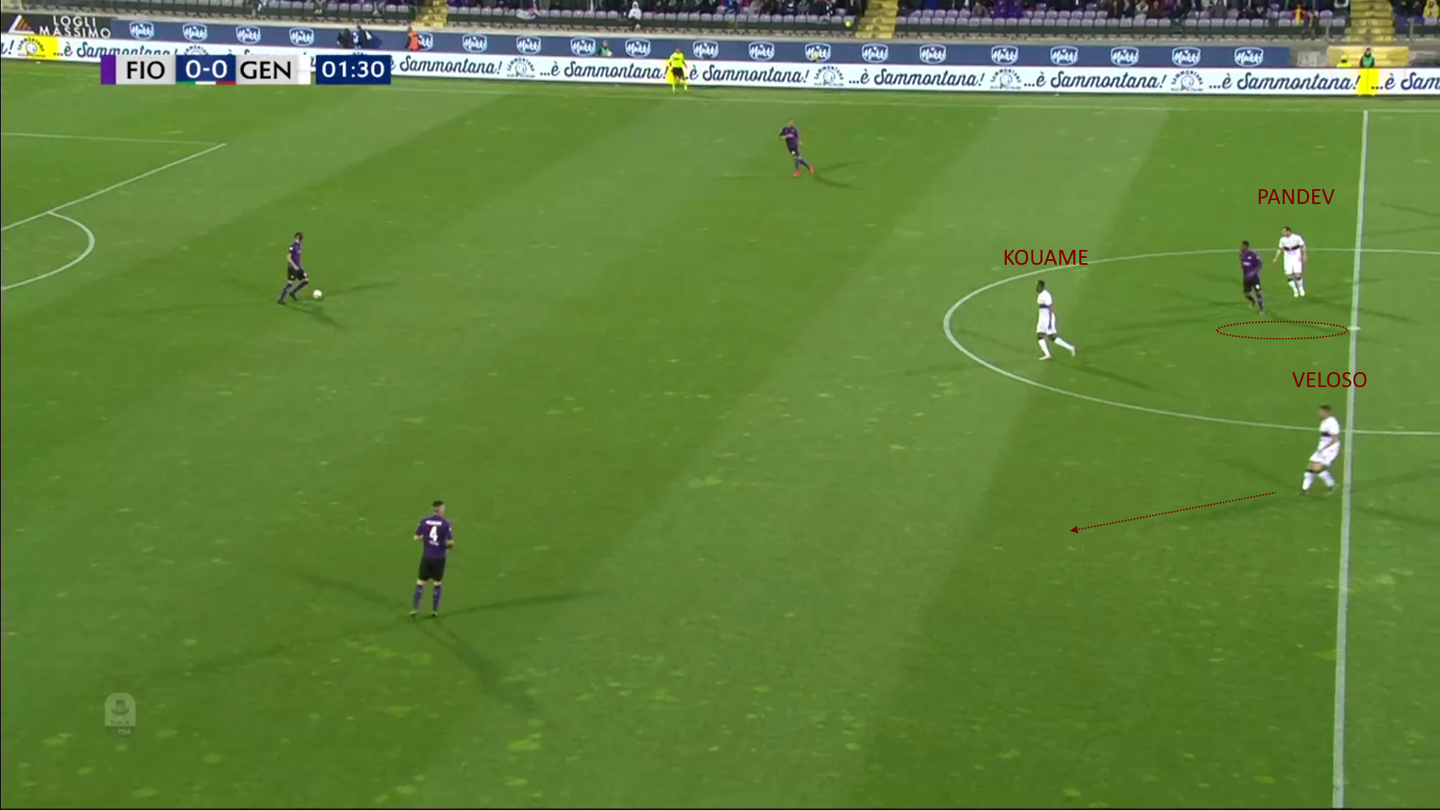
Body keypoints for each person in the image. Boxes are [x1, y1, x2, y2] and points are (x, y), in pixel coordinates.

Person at [411, 501, 455, 617]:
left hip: (427, 556)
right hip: (439, 558)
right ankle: (434, 610)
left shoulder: (424, 521)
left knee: (420, 582)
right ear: (441, 509)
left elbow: (415, 537)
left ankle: (415, 608)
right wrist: (445, 546)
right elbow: (451, 543)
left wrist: (426, 539)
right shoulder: (445, 524)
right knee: (437, 583)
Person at [1301, 406, 1341, 495]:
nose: (1319, 414)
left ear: (1327, 412)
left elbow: (1335, 439)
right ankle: (1305, 490)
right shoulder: (1324, 421)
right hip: (1322, 447)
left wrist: (1324, 448)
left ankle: (1332, 485)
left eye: (1321, 412)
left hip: (1330, 449)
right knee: (1309, 467)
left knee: (1317, 467)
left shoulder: (1332, 423)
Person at [1034, 280, 1077, 361]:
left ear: (1041, 286)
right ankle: (1048, 354)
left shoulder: (1046, 295)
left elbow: (1050, 308)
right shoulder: (1041, 295)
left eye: (1037, 286)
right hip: (1043, 318)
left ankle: (1070, 348)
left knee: (1051, 337)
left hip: (1047, 319)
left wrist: (1050, 322)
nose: (1036, 288)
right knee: (1041, 336)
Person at [1273, 225, 1307, 298]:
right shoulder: (1282, 240)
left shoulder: (1297, 237)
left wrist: (1305, 255)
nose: (1283, 233)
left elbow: (1303, 246)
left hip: (1296, 258)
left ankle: (1301, 288)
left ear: (1288, 231)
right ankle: (1295, 291)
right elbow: (1280, 249)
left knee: (1297, 275)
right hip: (1287, 259)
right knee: (1289, 276)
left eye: (1284, 231)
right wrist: (1276, 258)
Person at [278, 231, 310, 304]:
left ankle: (293, 292)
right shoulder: (293, 246)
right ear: (299, 238)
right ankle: (281, 299)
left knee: (306, 280)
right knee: (289, 284)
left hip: (298, 268)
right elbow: (288, 257)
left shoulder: (299, 246)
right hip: (292, 269)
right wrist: (294, 266)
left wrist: (298, 266)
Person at [1239, 240, 1265, 313]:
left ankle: (1262, 309)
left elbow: (1260, 264)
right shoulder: (1241, 255)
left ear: (1246, 246)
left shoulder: (1253, 255)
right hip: (1246, 279)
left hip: (1254, 278)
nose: (1241, 247)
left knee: (1258, 292)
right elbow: (1242, 263)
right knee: (1246, 294)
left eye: (1243, 246)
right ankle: (1253, 301)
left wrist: (1254, 272)